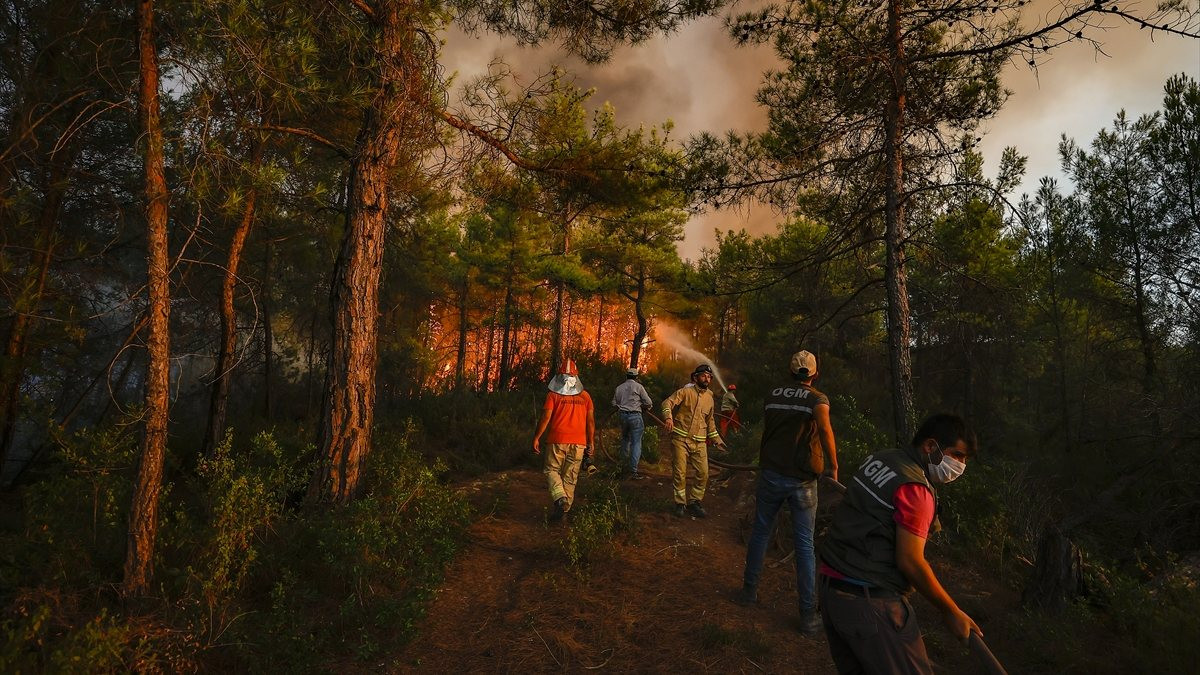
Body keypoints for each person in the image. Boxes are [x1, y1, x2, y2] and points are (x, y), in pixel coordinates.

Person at [818, 413, 981, 674]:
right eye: (957, 455)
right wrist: (950, 611)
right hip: (870, 602)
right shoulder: (915, 488)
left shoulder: (881, 458)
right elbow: (910, 561)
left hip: (831, 592)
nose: (960, 465)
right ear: (930, 446)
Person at [735, 350, 838, 637]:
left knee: (760, 532)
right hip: (803, 480)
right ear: (815, 374)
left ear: (790, 372)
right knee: (804, 546)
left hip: (770, 474)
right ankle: (807, 616)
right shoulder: (817, 399)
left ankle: (748, 593)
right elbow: (826, 430)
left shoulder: (772, 395)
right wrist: (834, 467)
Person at [532, 358, 595, 522]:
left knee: (551, 470)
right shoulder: (586, 396)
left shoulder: (553, 395)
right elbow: (590, 422)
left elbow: (546, 417)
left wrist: (537, 437)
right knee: (570, 477)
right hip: (579, 443)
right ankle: (564, 512)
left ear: (560, 376)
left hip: (557, 440)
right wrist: (591, 442)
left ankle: (559, 498)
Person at [661, 363, 725, 518]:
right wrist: (669, 418)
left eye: (709, 376)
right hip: (680, 440)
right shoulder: (685, 392)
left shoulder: (710, 397)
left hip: (700, 442)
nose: (707, 379)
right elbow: (667, 403)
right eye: (703, 375)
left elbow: (710, 421)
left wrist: (716, 438)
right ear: (695, 377)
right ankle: (680, 503)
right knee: (680, 472)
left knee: (703, 473)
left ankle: (694, 502)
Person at [612, 367, 653, 479]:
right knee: (636, 443)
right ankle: (633, 471)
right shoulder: (638, 387)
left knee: (625, 439)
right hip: (635, 416)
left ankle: (622, 467)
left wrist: (623, 405)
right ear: (636, 377)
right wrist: (642, 406)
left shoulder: (619, 388)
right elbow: (648, 402)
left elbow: (614, 403)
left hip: (622, 416)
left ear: (626, 376)